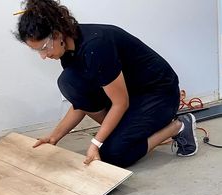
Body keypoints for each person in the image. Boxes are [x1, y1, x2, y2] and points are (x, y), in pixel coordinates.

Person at [15, 0, 198, 168]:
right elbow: (82, 103)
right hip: (130, 92)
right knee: (69, 82)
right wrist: (54, 137)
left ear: (56, 34)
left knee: (112, 154)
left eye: (43, 48)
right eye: (36, 51)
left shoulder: (95, 47)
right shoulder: (68, 50)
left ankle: (178, 126)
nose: (43, 56)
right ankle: (131, 132)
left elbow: (120, 103)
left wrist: (96, 143)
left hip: (158, 93)